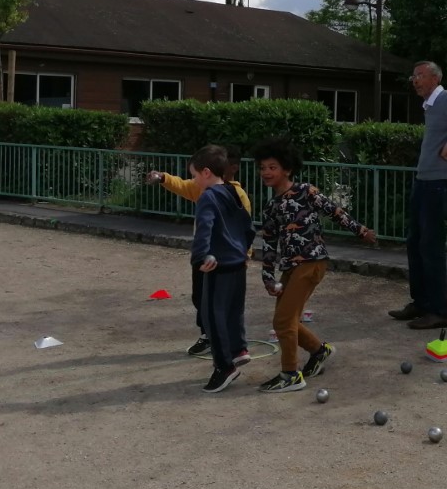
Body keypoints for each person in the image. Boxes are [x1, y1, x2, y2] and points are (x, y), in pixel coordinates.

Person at [253, 137, 377, 393]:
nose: (266, 172)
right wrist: (267, 277)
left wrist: (360, 230)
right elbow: (268, 244)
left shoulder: (306, 192)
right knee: (284, 320)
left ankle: (290, 375)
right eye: (263, 167)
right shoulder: (272, 206)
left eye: (272, 167)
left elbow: (335, 212)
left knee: (284, 320)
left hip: (312, 262)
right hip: (291, 267)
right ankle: (319, 351)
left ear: (287, 169)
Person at [388, 61, 447, 330]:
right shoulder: (431, 105)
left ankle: (439, 311)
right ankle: (420, 303)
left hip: (438, 182)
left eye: (420, 75)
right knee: (415, 243)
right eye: (413, 76)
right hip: (424, 180)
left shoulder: (445, 98)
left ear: (434, 78)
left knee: (430, 247)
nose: (415, 80)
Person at [147, 145, 252, 356]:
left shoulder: (230, 194)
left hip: (225, 260)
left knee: (223, 306)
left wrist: (243, 255)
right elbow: (184, 185)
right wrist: (163, 178)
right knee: (202, 299)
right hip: (208, 259)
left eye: (196, 174)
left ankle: (229, 353)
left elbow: (244, 228)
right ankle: (216, 341)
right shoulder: (203, 189)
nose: (194, 179)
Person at [187, 145, 256, 394]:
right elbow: (248, 226)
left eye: (194, 175)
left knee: (212, 316)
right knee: (234, 310)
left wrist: (200, 258)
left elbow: (204, 227)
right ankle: (238, 350)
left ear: (206, 173)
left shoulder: (208, 196)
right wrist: (244, 249)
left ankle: (224, 367)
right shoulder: (233, 191)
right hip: (238, 262)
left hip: (219, 265)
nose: (194, 181)